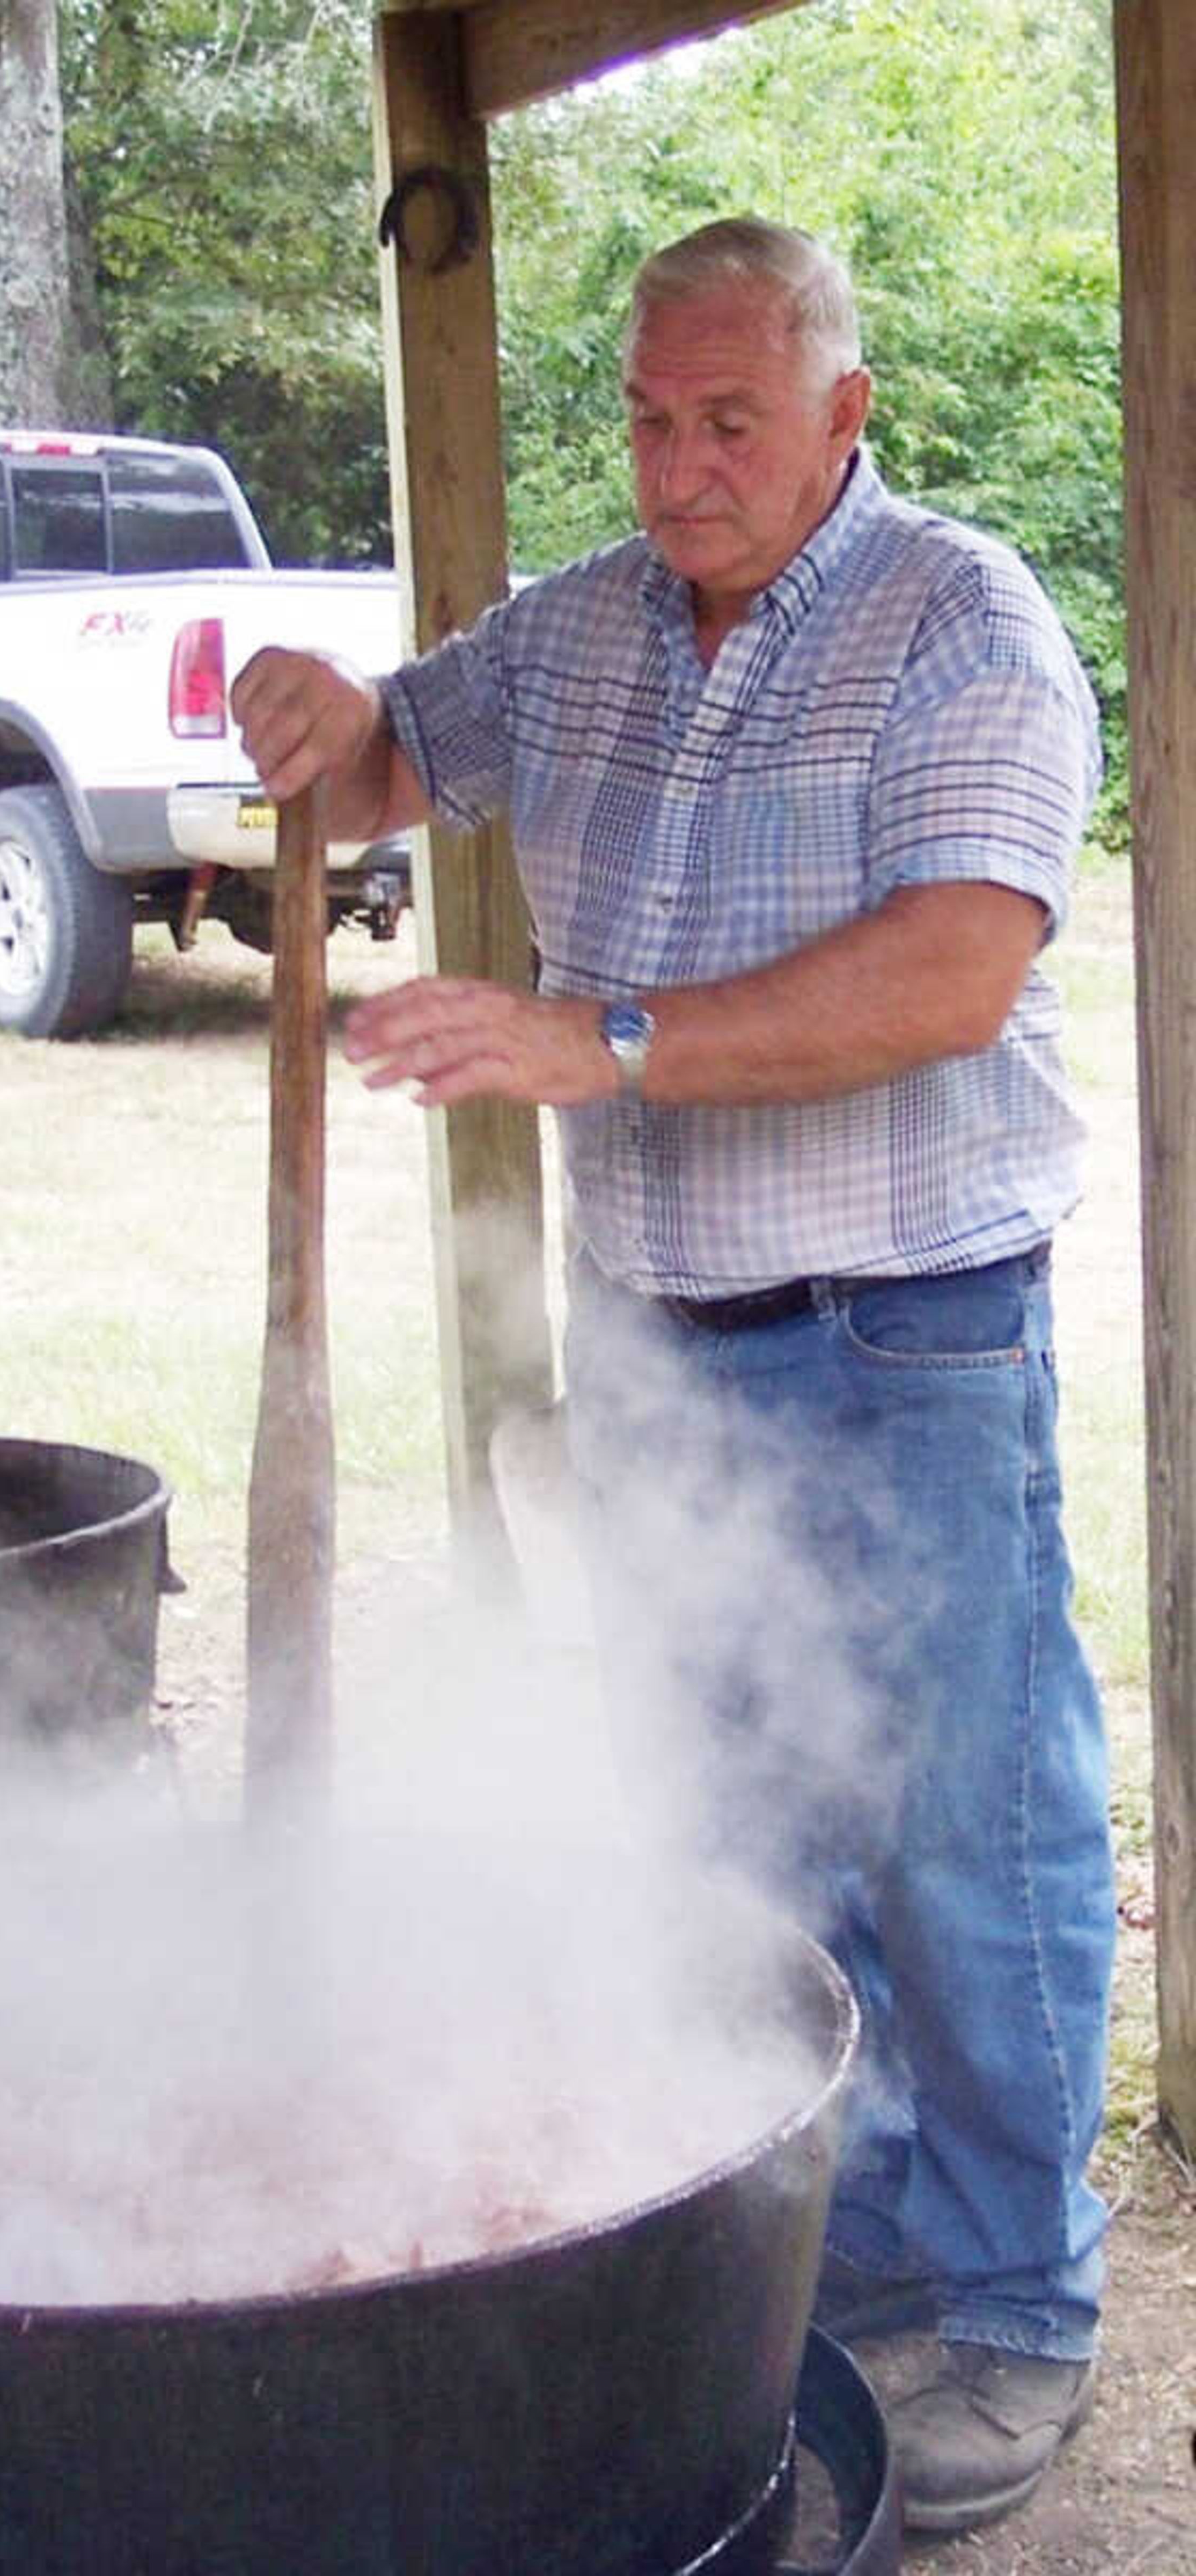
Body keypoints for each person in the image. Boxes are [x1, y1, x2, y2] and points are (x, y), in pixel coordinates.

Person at [232, 216, 1115, 2537]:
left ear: (845, 414)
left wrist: (595, 1040)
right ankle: (862, 2242)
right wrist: (332, 724)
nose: (679, 465)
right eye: (646, 416)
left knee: (968, 1835)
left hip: (908, 1331)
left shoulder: (965, 622)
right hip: (662, 1348)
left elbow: (951, 969)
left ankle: (1019, 2311)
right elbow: (402, 750)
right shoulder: (599, 625)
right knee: (729, 1831)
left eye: (728, 421)